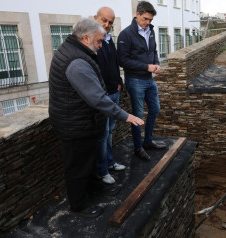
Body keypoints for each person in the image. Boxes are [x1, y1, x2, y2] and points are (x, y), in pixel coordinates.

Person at [48, 18, 144, 218]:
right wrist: (126, 116)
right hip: (74, 124)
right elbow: (97, 98)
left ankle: (93, 191)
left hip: (80, 121)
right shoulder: (76, 62)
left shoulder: (75, 51)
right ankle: (79, 206)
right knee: (77, 167)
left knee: (87, 162)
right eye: (99, 41)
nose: (101, 46)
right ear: (86, 38)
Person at [117, 1, 166, 161]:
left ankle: (148, 141)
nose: (148, 23)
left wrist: (156, 64)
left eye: (150, 20)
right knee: (137, 115)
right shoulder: (126, 34)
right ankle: (138, 148)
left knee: (155, 109)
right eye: (145, 19)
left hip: (149, 80)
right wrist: (147, 67)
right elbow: (122, 60)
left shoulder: (150, 31)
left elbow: (154, 51)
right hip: (135, 80)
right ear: (137, 14)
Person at [94, 7, 126, 185]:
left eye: (110, 23)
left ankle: (110, 162)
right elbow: (92, 69)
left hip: (115, 92)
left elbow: (113, 63)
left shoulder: (108, 40)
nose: (107, 25)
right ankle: (102, 170)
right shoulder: (92, 41)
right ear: (95, 18)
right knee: (103, 133)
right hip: (103, 96)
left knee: (110, 131)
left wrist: (119, 82)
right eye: (104, 20)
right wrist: (100, 90)